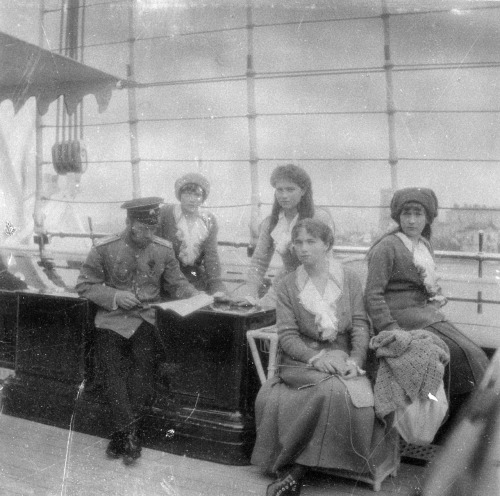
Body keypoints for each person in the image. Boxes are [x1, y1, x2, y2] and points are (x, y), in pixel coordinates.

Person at [251, 219, 398, 496]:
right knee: (330, 389)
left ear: (327, 245)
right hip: (300, 360)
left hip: (343, 355)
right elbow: (288, 336)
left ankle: (297, 470)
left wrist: (355, 360)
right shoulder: (286, 285)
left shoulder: (349, 279)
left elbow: (359, 325)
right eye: (298, 242)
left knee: (346, 393)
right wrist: (316, 358)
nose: (303, 249)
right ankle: (298, 471)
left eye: (311, 242)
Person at [76, 197, 199, 465]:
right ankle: (130, 434)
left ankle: (122, 435)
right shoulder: (104, 249)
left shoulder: (163, 250)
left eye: (152, 229)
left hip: (144, 319)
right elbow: (85, 285)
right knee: (111, 370)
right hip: (111, 320)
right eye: (142, 228)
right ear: (129, 223)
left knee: (143, 372)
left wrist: (199, 295)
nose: (148, 234)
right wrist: (116, 296)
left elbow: (177, 283)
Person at [365, 187, 489, 436]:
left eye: (418, 214)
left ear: (428, 218)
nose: (411, 220)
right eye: (406, 214)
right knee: (457, 353)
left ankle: (459, 424)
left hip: (425, 315)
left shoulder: (423, 245)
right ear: (398, 217)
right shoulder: (387, 247)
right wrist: (391, 330)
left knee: (474, 352)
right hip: (400, 319)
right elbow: (373, 295)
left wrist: (433, 306)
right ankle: (447, 428)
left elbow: (427, 288)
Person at [243, 164, 334, 307]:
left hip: (316, 284)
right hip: (284, 283)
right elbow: (259, 262)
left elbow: (326, 262)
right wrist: (250, 294)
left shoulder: (319, 217)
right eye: (280, 190)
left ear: (303, 190)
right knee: (259, 312)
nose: (284, 195)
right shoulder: (271, 223)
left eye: (290, 189)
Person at [156, 173, 226, 295]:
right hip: (167, 279)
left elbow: (211, 256)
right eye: (188, 194)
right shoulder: (166, 213)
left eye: (197, 195)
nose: (192, 199)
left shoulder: (208, 220)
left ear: (203, 198)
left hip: (195, 278)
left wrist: (217, 286)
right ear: (180, 195)